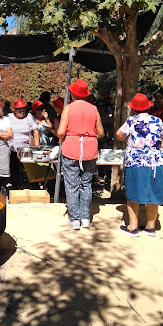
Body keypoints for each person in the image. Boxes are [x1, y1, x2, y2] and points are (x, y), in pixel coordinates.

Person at [116, 93, 163, 237]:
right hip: (156, 162)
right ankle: (150, 226)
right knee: (153, 193)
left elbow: (119, 135)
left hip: (135, 161)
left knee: (133, 192)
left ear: (133, 109)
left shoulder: (131, 121)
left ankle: (133, 226)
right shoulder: (158, 121)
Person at [58, 79, 104, 230]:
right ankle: (85, 218)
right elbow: (101, 133)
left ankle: (74, 219)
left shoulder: (68, 109)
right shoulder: (94, 109)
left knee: (71, 186)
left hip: (71, 148)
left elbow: (60, 132)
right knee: (86, 184)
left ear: (72, 94)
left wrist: (64, 137)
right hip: (90, 150)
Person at [7, 99, 40, 188]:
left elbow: (36, 131)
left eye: (23, 109)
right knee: (14, 169)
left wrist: (37, 147)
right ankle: (15, 187)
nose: (21, 111)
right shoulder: (9, 117)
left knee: (28, 170)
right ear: (14, 110)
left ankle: (31, 187)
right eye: (18, 109)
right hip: (12, 148)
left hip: (26, 149)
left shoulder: (29, 116)